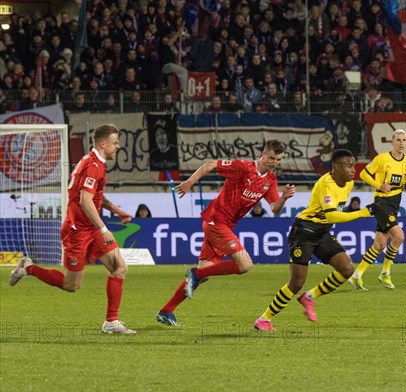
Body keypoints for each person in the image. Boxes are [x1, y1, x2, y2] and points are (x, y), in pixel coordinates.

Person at [9, 124, 136, 334]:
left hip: (90, 227)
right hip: (77, 230)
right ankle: (28, 268)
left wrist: (117, 210)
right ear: (103, 144)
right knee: (71, 285)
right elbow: (86, 202)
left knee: (119, 268)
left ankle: (111, 322)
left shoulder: (94, 162)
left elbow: (94, 196)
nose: (118, 147)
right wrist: (104, 229)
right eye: (115, 143)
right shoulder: (93, 166)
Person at [156, 140, 296, 326]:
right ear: (263, 153)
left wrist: (284, 197)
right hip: (216, 220)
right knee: (245, 264)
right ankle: (194, 273)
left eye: (278, 159)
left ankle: (166, 311)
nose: (274, 162)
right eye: (272, 158)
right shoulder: (243, 167)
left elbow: (274, 208)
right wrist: (190, 181)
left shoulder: (270, 180)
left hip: (225, 226)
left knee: (204, 274)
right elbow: (210, 164)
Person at [254, 149, 379, 331]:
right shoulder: (326, 184)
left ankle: (309, 297)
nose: (354, 170)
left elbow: (333, 216)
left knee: (346, 269)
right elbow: (333, 217)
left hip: (322, 232)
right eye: (349, 166)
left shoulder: (348, 184)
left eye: (353, 166)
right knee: (296, 282)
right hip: (304, 231)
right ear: (336, 167)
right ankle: (264, 319)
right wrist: (363, 212)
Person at [348, 129, 406, 290]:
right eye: (398, 140)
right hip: (381, 202)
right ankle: (385, 272)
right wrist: (379, 185)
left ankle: (357, 275)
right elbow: (363, 174)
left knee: (379, 245)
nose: (401, 143)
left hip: (395, 202)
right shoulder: (382, 159)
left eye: (404, 140)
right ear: (392, 142)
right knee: (399, 236)